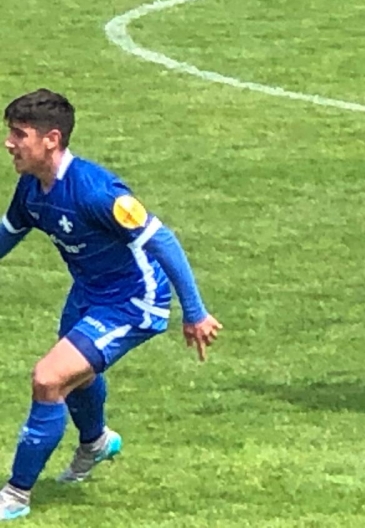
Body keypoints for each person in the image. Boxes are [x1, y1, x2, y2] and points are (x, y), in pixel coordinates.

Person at [0, 90, 222, 522]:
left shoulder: (96, 192)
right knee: (76, 377)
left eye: (19, 134)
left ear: (51, 139)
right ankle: (96, 442)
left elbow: (163, 241)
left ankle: (16, 494)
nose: (9, 143)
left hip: (132, 301)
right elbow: (7, 234)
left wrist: (194, 312)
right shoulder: (31, 188)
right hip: (88, 292)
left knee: (48, 379)